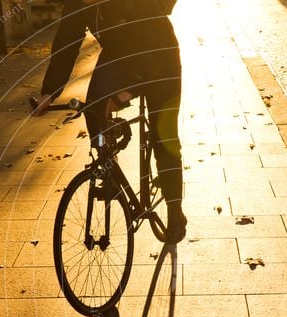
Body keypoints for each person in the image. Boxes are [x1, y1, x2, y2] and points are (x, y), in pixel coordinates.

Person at [32, 0, 186, 243]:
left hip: (160, 62)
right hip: (119, 58)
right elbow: (66, 43)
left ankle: (175, 211)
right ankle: (108, 167)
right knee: (94, 104)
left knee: (163, 138)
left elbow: (154, 47)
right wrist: (49, 92)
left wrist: (125, 93)